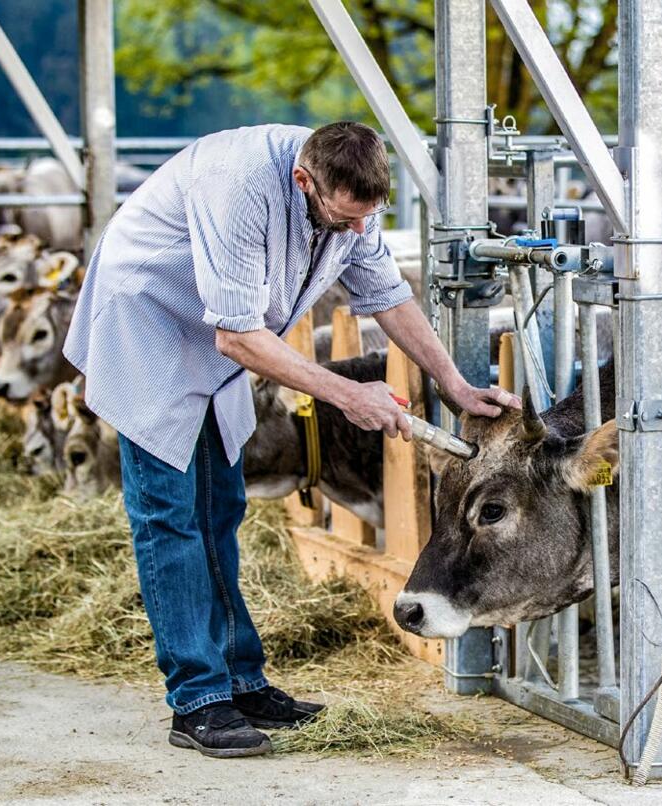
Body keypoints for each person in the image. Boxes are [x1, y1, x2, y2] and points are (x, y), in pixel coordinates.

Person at [64, 122, 519, 758]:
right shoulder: (237, 190)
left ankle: (241, 682)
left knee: (221, 506)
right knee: (170, 517)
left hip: (215, 333)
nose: (359, 232)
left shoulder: (348, 190)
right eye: (345, 219)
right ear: (305, 182)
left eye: (369, 217)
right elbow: (237, 335)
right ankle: (197, 699)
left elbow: (386, 294)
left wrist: (454, 384)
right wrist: (348, 395)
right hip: (148, 321)